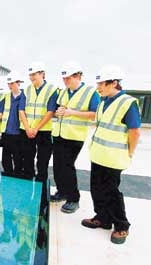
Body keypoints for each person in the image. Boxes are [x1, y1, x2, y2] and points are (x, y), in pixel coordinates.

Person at [82, 65, 141, 244]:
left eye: (102, 84)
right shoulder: (102, 102)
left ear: (114, 83)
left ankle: (122, 226)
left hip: (114, 158)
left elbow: (135, 131)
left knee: (111, 192)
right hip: (99, 155)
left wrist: (130, 152)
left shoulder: (127, 103)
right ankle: (103, 218)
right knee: (97, 189)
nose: (98, 87)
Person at [51, 62, 100, 213]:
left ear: (78, 76)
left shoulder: (90, 92)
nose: (65, 81)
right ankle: (61, 192)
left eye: (68, 79)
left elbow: (95, 115)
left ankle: (73, 198)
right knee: (58, 166)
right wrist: (58, 112)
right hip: (59, 134)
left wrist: (72, 113)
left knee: (67, 167)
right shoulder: (64, 92)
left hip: (74, 136)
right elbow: (59, 109)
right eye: (64, 79)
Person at [19, 62, 58, 181]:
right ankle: (27, 184)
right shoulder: (27, 90)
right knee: (27, 159)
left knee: (42, 162)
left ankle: (41, 190)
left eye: (34, 74)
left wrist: (36, 128)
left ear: (42, 74)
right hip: (26, 130)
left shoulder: (52, 89)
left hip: (43, 131)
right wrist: (27, 128)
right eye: (30, 75)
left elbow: (50, 111)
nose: (31, 77)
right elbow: (21, 110)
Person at [0, 72, 25, 176]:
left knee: (18, 157)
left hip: (19, 133)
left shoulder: (24, 96)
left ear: (18, 83)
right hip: (6, 132)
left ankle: (17, 176)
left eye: (12, 83)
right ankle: (8, 176)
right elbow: (0, 113)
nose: (10, 86)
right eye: (8, 83)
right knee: (5, 158)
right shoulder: (5, 97)